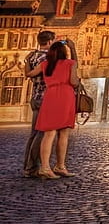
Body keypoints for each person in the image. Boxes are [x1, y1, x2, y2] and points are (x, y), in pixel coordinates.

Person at [32, 39, 80, 179]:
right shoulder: (70, 63)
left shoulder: (45, 64)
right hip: (66, 97)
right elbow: (73, 82)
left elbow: (29, 74)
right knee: (63, 133)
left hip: (51, 96)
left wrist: (27, 62)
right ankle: (59, 166)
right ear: (64, 52)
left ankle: (46, 167)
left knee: (49, 133)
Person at [22, 30, 56, 178]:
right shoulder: (47, 58)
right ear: (49, 42)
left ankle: (28, 166)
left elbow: (28, 74)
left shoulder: (32, 56)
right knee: (41, 133)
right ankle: (31, 167)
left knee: (33, 133)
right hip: (45, 98)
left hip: (35, 96)